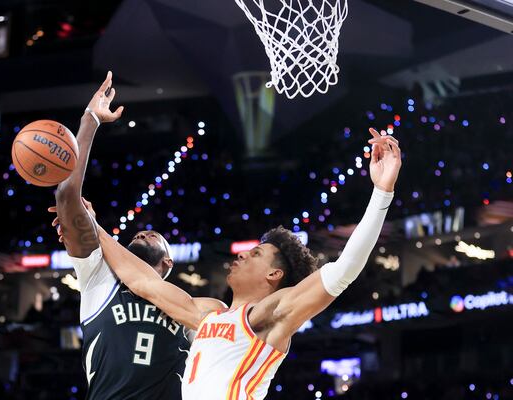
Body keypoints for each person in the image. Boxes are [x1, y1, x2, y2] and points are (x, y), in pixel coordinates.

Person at [94, 127, 402, 399]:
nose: (241, 255)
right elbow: (143, 282)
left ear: (274, 273)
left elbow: (344, 269)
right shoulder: (208, 313)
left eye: (255, 254)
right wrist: (91, 227)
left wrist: (381, 193)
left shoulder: (270, 316)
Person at [49, 72, 224, 399]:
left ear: (168, 262)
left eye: (154, 235)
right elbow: (66, 196)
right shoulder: (98, 274)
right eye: (142, 232)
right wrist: (89, 122)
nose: (143, 231)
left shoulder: (185, 306)